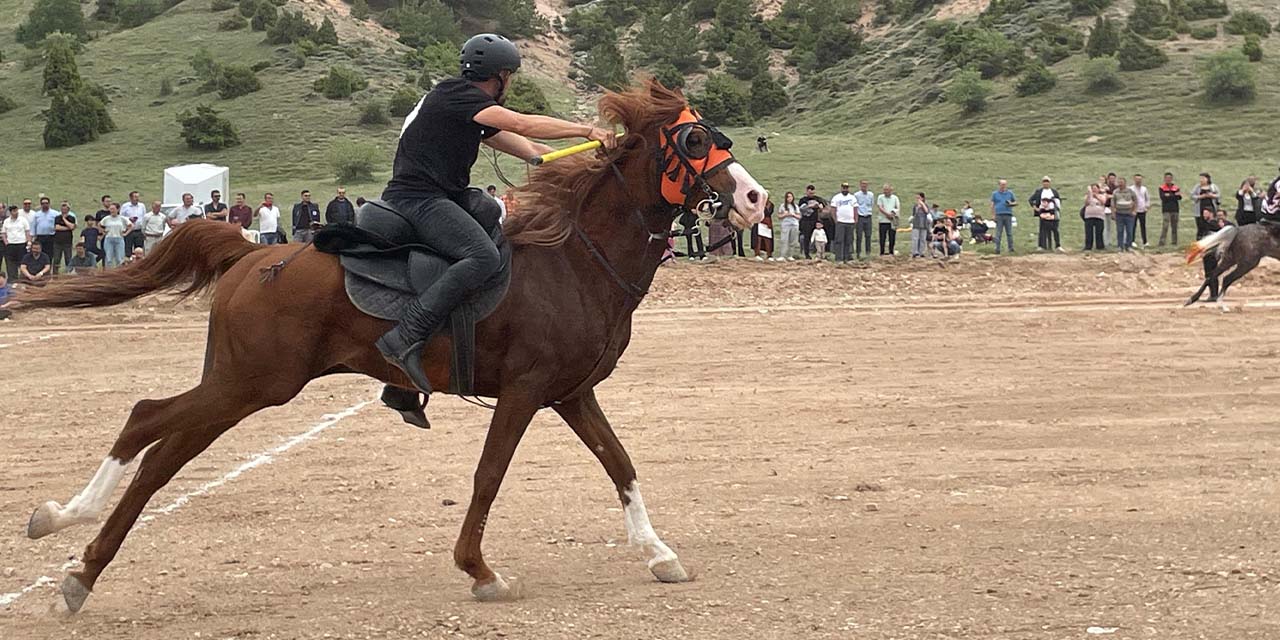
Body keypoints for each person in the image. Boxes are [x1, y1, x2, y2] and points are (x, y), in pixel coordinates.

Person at [378, 33, 621, 392]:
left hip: (444, 196)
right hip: (417, 198)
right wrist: (587, 130)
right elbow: (521, 124)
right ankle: (405, 336)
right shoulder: (457, 96)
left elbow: (532, 150)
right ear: (502, 76)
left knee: (493, 221)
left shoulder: (469, 110)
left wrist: (592, 158)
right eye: (511, 78)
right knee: (481, 257)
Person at [1029, 176, 1062, 252]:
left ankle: (1058, 246)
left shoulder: (1054, 192)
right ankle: (1041, 246)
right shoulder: (1039, 192)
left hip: (1052, 212)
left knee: (1055, 229)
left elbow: (1058, 201)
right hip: (1043, 212)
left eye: (1047, 182)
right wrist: (1035, 208)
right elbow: (1031, 200)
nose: (1046, 183)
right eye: (1044, 182)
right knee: (1042, 229)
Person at [830, 182, 857, 263]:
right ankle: (839, 258)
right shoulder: (836, 197)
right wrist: (835, 219)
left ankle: (847, 257)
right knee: (839, 240)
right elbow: (833, 209)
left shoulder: (852, 198)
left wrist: (855, 219)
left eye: (847, 188)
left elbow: (855, 209)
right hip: (840, 222)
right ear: (841, 188)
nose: (845, 189)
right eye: (844, 188)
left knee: (849, 240)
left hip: (850, 222)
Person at [3, 205, 31, 282]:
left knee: (22, 263)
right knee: (11, 264)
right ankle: (13, 281)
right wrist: (6, 243)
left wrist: (28, 242)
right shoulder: (6, 221)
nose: (16, 213)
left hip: (21, 244)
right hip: (11, 245)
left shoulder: (23, 220)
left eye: (17, 211)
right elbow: (4, 233)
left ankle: (23, 280)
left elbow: (27, 232)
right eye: (14, 211)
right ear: (10, 212)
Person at [100, 203, 133, 268]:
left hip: (119, 239)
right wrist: (103, 232)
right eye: (111, 209)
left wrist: (126, 233)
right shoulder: (106, 218)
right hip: (109, 239)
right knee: (109, 258)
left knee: (119, 258)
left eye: (113, 209)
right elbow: (99, 225)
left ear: (118, 209)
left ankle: (119, 273)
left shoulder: (122, 218)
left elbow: (131, 226)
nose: (112, 210)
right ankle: (108, 273)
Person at [796, 184, 825, 260]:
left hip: (815, 220)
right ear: (806, 191)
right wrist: (810, 206)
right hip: (806, 221)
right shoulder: (803, 200)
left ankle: (818, 253)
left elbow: (823, 207)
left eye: (813, 193)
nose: (811, 194)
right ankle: (806, 254)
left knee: (818, 238)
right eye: (810, 193)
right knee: (807, 237)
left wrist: (820, 206)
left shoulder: (818, 199)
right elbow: (801, 209)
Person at [990, 179, 1016, 254]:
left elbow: (1015, 202)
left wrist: (1011, 203)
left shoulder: (1010, 193)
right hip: (999, 215)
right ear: (999, 185)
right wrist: (993, 215)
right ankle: (997, 248)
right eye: (1002, 184)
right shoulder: (995, 194)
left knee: (1009, 232)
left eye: (1004, 184)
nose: (1003, 186)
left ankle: (1011, 248)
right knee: (998, 232)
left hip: (1008, 214)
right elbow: (992, 205)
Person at [1112, 176, 1137, 251]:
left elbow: (1135, 200)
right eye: (1119, 182)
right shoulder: (1115, 192)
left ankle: (1128, 246)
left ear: (1125, 183)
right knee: (1120, 231)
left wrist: (1134, 210)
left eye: (1122, 182)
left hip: (1129, 214)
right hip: (1119, 214)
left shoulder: (1130, 191)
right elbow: (1113, 203)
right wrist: (1113, 213)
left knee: (1129, 231)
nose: (1120, 184)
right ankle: (1120, 246)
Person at [853, 180, 875, 259]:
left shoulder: (871, 195)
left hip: (868, 216)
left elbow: (872, 205)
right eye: (862, 185)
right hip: (860, 217)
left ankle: (868, 252)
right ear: (860, 185)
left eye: (865, 185)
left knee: (868, 235)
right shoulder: (856, 195)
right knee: (859, 235)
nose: (864, 187)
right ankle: (858, 252)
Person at [52, 201, 77, 273]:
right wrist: (67, 228)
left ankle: (68, 273)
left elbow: (72, 226)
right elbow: (57, 227)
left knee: (68, 259)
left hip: (68, 242)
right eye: (62, 208)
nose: (63, 209)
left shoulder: (72, 217)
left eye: (65, 208)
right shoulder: (57, 217)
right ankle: (55, 275)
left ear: (68, 209)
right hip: (57, 242)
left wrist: (64, 219)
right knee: (56, 259)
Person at [876, 183, 900, 256]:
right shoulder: (880, 197)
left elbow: (897, 207)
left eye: (887, 190)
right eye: (884, 190)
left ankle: (891, 252)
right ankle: (882, 252)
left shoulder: (895, 198)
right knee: (882, 237)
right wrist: (887, 214)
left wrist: (892, 214)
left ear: (891, 190)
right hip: (883, 220)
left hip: (892, 221)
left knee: (892, 237)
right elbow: (880, 207)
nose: (885, 191)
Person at [776, 191, 801, 261]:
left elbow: (799, 216)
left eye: (791, 197)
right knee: (784, 240)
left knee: (793, 240)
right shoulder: (782, 206)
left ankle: (790, 255)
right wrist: (785, 215)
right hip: (786, 225)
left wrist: (793, 215)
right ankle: (782, 255)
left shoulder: (795, 206)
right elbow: (779, 216)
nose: (789, 198)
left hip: (794, 224)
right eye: (788, 197)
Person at [1158, 172, 1182, 246]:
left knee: (1174, 226)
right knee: (1165, 226)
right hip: (1166, 209)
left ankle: (1174, 242)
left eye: (1169, 178)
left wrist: (1169, 195)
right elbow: (1163, 198)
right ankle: (1162, 242)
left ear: (1171, 179)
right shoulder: (1162, 188)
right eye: (1167, 178)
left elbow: (1179, 197)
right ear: (1164, 179)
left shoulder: (1176, 187)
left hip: (1175, 209)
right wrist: (1174, 195)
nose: (1168, 179)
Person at [1083, 183, 1106, 251]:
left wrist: (1096, 196)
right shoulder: (1088, 196)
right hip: (1089, 216)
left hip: (1099, 216)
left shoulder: (1102, 195)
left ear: (1098, 189)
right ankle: (1088, 246)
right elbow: (1086, 203)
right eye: (1093, 189)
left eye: (1095, 188)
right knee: (1088, 232)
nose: (1094, 190)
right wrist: (1089, 195)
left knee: (1099, 232)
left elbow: (1103, 202)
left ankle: (1100, 246)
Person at [909, 192, 931, 258]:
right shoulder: (915, 206)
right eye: (917, 198)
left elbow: (927, 211)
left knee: (923, 239)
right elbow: (914, 215)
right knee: (915, 238)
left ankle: (922, 252)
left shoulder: (926, 205)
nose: (918, 199)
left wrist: (922, 204)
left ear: (922, 198)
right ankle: (915, 252)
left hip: (924, 224)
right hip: (916, 224)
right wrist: (918, 207)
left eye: (919, 198)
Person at [1132, 174, 1150, 246]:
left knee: (1143, 226)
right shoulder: (1131, 189)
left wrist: (1146, 206)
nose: (1138, 181)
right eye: (1137, 179)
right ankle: (1132, 240)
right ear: (1134, 179)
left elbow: (1147, 198)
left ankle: (1145, 241)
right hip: (1134, 210)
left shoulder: (1144, 189)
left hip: (1142, 210)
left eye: (1139, 179)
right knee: (1133, 225)